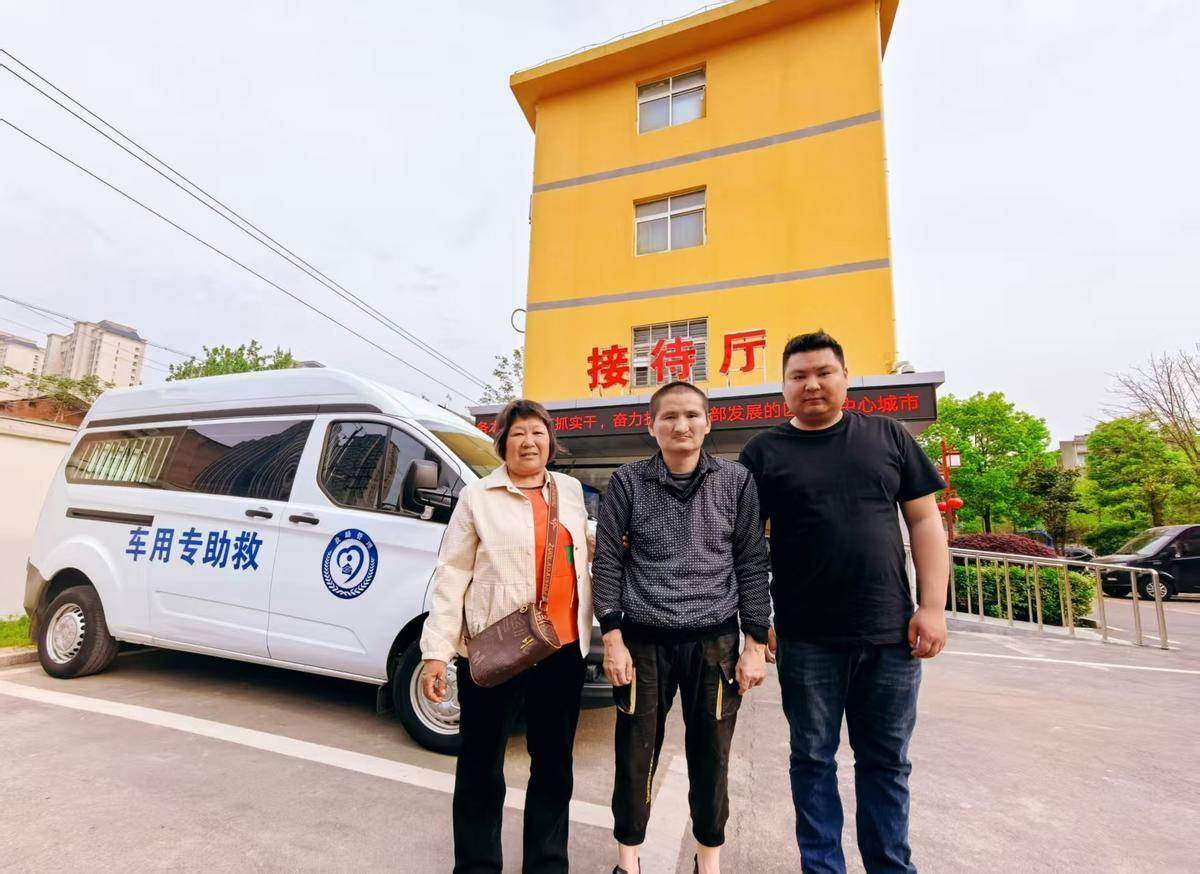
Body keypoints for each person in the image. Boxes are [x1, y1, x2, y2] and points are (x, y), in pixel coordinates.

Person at [738, 332, 949, 874]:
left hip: (891, 634)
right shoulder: (763, 452)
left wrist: (932, 606)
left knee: (886, 764)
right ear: (783, 387)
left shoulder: (887, 435)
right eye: (798, 376)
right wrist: (758, 622)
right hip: (805, 639)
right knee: (812, 761)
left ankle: (890, 866)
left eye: (823, 372)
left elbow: (925, 520)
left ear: (846, 378)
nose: (811, 384)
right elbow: (745, 544)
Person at [591, 380, 772, 874]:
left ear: (708, 423)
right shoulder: (627, 481)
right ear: (651, 426)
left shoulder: (736, 481)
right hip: (643, 642)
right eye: (669, 416)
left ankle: (708, 861)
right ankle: (628, 860)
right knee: (635, 754)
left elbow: (751, 562)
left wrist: (755, 642)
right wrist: (613, 638)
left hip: (715, 642)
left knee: (712, 757)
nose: (681, 425)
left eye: (692, 415)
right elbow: (607, 563)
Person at [419, 399, 594, 874]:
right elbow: (452, 573)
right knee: (481, 765)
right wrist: (436, 652)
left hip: (562, 649)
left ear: (551, 441)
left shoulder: (570, 491)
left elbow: (581, 551)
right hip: (496, 649)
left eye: (537, 432)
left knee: (554, 766)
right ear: (502, 444)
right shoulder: (478, 496)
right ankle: (477, 866)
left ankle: (547, 864)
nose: (528, 442)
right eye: (518, 434)